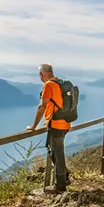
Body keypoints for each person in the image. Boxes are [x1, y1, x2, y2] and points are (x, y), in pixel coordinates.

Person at [26, 63, 71, 193]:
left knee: (57, 153)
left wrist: (33, 126)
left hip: (56, 124)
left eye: (40, 75)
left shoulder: (49, 85)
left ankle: (60, 185)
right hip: (66, 123)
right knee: (54, 151)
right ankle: (64, 175)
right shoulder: (61, 83)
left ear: (42, 74)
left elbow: (42, 107)